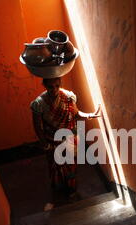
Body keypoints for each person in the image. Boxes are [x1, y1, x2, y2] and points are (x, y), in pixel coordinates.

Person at [30, 77, 100, 209]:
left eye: (57, 85)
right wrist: (46, 144)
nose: (54, 89)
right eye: (51, 86)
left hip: (69, 139)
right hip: (52, 142)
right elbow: (38, 127)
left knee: (71, 166)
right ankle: (58, 191)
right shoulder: (39, 104)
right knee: (55, 167)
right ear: (44, 85)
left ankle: (72, 191)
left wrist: (90, 115)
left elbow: (76, 114)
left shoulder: (68, 96)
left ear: (60, 83)